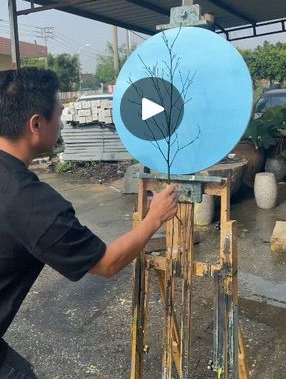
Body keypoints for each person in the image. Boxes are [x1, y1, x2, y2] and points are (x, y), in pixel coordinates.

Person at [0, 68, 177, 379]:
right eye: (59, 113)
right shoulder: (33, 205)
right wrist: (154, 218)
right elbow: (107, 264)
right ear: (37, 124)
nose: (63, 121)